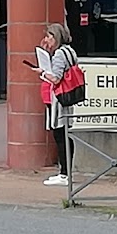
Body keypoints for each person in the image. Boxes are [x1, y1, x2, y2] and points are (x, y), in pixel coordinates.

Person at [33, 22, 77, 186]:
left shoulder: (59, 54)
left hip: (59, 98)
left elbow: (56, 78)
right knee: (64, 134)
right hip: (68, 96)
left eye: (48, 36)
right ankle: (65, 172)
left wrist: (43, 72)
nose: (46, 39)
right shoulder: (69, 51)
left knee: (60, 135)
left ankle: (64, 173)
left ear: (55, 37)